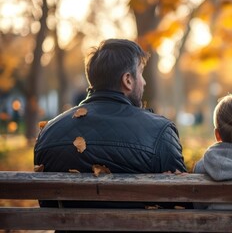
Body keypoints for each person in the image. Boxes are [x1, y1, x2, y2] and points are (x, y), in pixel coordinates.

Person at [34, 39, 188, 210]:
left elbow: (47, 204)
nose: (144, 82)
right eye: (141, 73)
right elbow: (182, 203)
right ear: (128, 80)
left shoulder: (49, 133)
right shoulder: (160, 132)